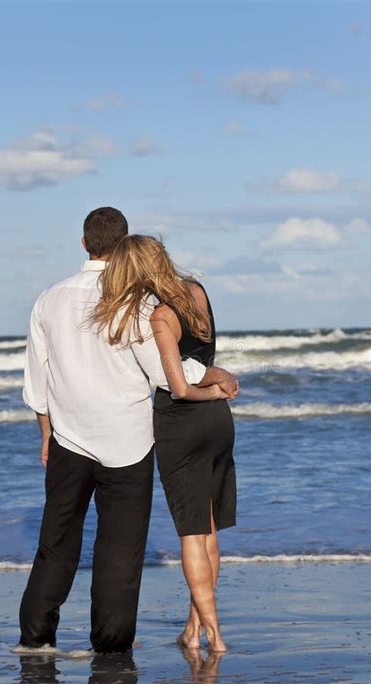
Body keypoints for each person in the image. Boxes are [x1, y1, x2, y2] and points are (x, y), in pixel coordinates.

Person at [18, 208, 237, 654]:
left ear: (83, 244)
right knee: (120, 549)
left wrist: (45, 432)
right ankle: (111, 644)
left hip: (68, 439)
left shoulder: (49, 297)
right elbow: (165, 375)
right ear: (125, 248)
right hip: (129, 442)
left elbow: (36, 380)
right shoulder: (137, 303)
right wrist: (215, 376)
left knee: (56, 542)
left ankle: (36, 639)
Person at [92, 235, 237, 653]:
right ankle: (192, 629)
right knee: (208, 532)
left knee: (191, 534)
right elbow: (205, 361)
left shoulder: (158, 315)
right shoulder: (197, 292)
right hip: (219, 426)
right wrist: (219, 382)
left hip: (182, 426)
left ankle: (215, 637)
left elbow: (178, 387)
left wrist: (209, 389)